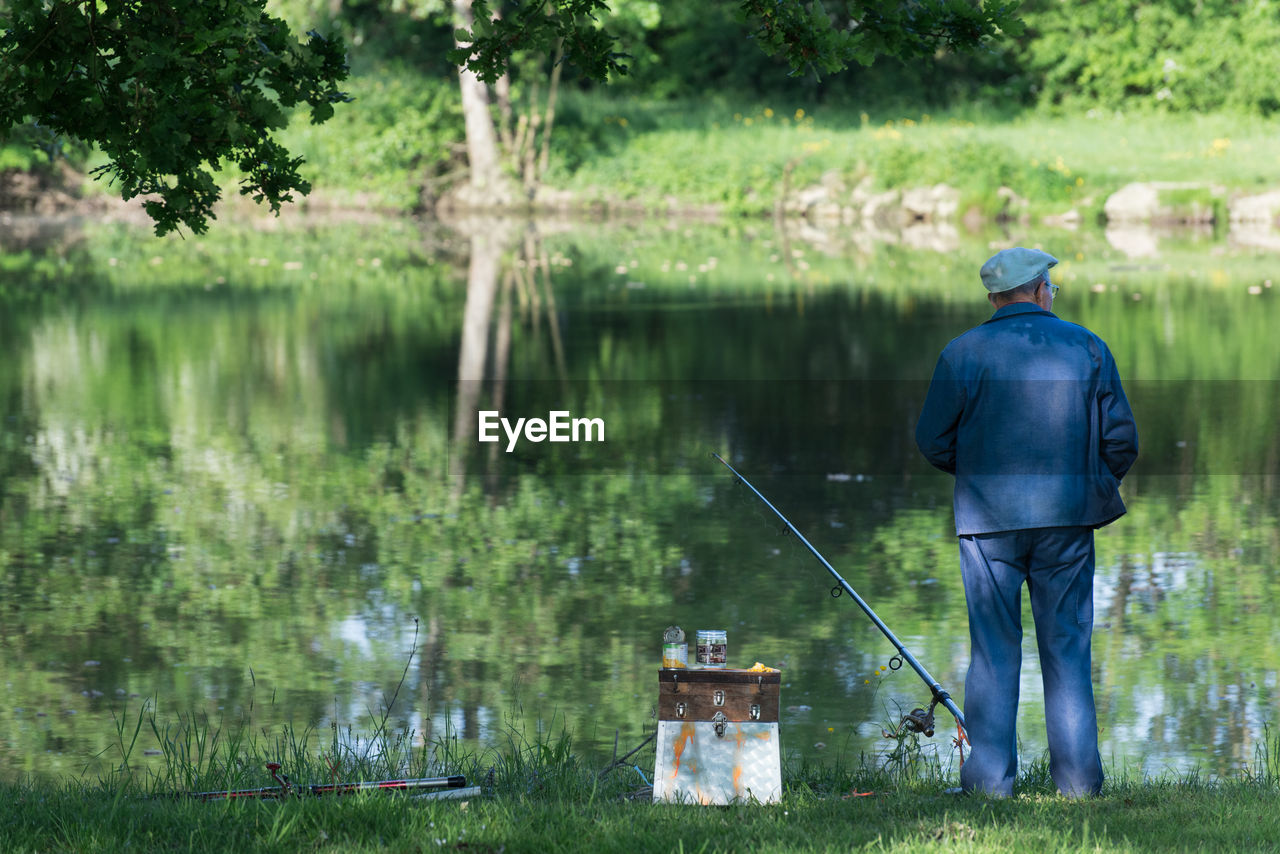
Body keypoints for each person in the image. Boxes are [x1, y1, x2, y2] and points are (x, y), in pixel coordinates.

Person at [915, 247, 1138, 798]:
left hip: (988, 524)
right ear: (1039, 290)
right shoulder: (1087, 346)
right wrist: (1085, 486)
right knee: (1067, 650)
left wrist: (979, 473)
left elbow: (932, 441)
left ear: (995, 298)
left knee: (993, 652)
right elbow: (1121, 441)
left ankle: (990, 785)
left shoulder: (961, 352)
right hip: (1068, 522)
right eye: (1051, 287)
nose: (1052, 295)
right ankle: (1080, 786)